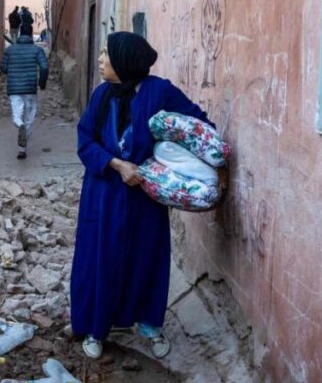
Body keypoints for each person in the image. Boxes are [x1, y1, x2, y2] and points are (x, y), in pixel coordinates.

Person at [70, 31, 214, 360]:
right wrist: (117, 164)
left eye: (107, 54)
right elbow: (85, 140)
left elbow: (198, 127)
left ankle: (149, 324)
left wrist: (170, 164)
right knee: (100, 259)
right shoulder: (102, 96)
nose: (102, 60)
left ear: (125, 60)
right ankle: (96, 327)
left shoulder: (159, 92)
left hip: (144, 197)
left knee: (145, 257)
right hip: (104, 195)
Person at [0, 25, 49, 159]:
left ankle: (19, 125)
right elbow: (44, 67)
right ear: (31, 34)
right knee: (29, 117)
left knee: (17, 114)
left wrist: (12, 70)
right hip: (29, 88)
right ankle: (22, 149)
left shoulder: (10, 50)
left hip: (14, 88)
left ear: (20, 34)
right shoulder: (37, 50)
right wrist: (42, 83)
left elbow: (3, 68)